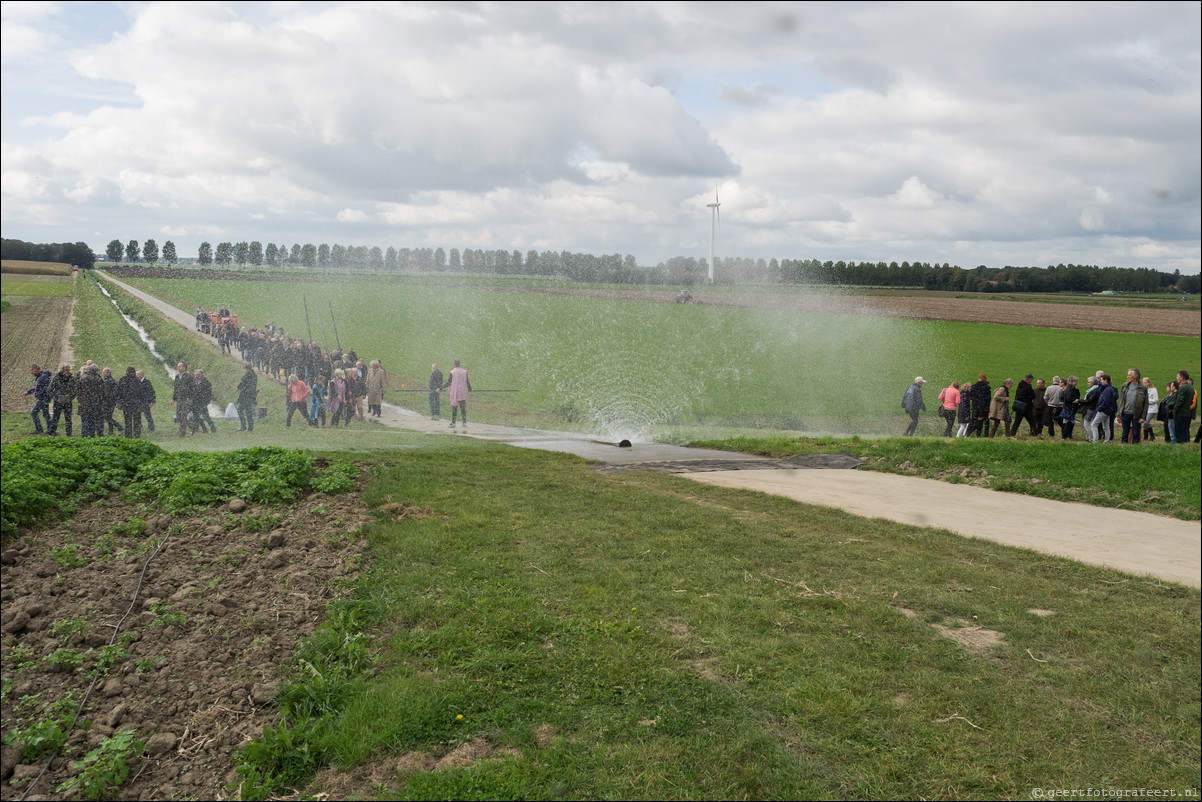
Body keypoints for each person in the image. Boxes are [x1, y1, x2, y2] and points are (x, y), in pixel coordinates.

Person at [1117, 369, 1149, 444]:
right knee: (1125, 432)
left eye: (1129, 375)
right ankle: (1123, 446)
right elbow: (1121, 400)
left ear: (1135, 376)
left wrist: (1143, 417)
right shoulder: (1125, 386)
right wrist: (1119, 414)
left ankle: (1135, 448)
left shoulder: (1143, 388)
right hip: (1125, 413)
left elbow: (1146, 403)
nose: (1127, 376)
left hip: (1137, 414)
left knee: (1136, 433)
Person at [77, 364, 107, 438]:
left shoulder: (83, 379)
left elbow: (78, 392)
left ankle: (84, 436)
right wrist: (101, 401)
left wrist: (81, 401)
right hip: (96, 404)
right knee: (93, 422)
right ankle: (92, 436)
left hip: (85, 404)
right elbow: (103, 392)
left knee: (85, 421)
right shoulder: (98, 379)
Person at [47, 364, 77, 436]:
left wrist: (70, 397)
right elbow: (49, 390)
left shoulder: (71, 378)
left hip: (68, 402)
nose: (68, 371)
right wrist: (56, 398)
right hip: (58, 402)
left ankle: (69, 433)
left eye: (69, 370)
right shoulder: (56, 378)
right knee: (56, 418)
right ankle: (52, 432)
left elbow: (75, 389)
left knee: (68, 418)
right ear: (62, 370)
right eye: (67, 370)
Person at [1089, 374, 1118, 444]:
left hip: (1103, 410)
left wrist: (1099, 408)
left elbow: (1105, 401)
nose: (1100, 381)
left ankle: (1095, 440)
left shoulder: (1107, 390)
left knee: (1093, 424)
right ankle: (1106, 441)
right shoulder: (1110, 389)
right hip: (1109, 411)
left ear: (1105, 381)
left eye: (1101, 380)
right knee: (1106, 426)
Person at [115, 366, 143, 438]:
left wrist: (119, 401)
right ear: (134, 372)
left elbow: (118, 391)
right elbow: (141, 393)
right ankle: (137, 435)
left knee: (128, 421)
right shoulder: (137, 381)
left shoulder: (122, 380)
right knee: (137, 420)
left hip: (126, 403)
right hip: (136, 403)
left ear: (127, 372)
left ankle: (128, 435)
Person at [445, 359, 472, 430]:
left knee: (454, 408)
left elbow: (448, 382)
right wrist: (470, 388)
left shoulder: (452, 372)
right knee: (463, 408)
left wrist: (441, 388)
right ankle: (464, 422)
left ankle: (453, 422)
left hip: (455, 393)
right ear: (459, 364)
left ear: (454, 364)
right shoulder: (464, 372)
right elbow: (467, 381)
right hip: (462, 392)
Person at [172, 362, 198, 437]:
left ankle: (182, 433)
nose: (178, 368)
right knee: (178, 416)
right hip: (179, 399)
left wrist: (187, 394)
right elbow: (176, 388)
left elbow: (193, 388)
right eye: (177, 366)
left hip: (186, 399)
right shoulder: (177, 376)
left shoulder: (189, 377)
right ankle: (192, 426)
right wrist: (173, 399)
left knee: (183, 415)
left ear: (184, 368)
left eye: (179, 366)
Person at [26, 364, 52, 434]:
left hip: (43, 398)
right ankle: (50, 430)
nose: (31, 373)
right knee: (46, 414)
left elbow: (46, 388)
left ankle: (39, 429)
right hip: (43, 398)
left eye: (31, 371)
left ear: (36, 370)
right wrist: (29, 392)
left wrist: (39, 393)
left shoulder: (43, 377)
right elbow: (37, 387)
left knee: (33, 412)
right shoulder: (40, 377)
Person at [1170, 370, 1195, 444]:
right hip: (1187, 413)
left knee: (1179, 433)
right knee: (1185, 431)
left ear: (1181, 377)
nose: (1176, 377)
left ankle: (1181, 448)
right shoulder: (1191, 387)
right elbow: (1191, 401)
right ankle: (1186, 446)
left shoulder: (1182, 387)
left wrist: (1175, 410)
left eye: (1177, 376)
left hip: (1180, 413)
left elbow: (1180, 400)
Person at [193, 369, 218, 434]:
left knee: (206, 416)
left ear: (201, 375)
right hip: (196, 402)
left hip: (202, 402)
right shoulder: (194, 381)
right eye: (195, 375)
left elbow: (209, 394)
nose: (196, 376)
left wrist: (206, 402)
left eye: (197, 375)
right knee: (196, 416)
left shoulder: (206, 383)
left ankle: (213, 429)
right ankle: (198, 429)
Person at [101, 367, 123, 435]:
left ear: (107, 373)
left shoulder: (108, 381)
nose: (102, 374)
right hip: (112, 401)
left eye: (103, 373)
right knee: (109, 416)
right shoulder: (112, 380)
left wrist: (104, 399)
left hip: (108, 401)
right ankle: (111, 430)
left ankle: (119, 427)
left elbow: (106, 393)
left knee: (106, 416)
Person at [237, 362, 258, 432]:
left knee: (240, 410)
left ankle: (244, 426)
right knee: (248, 412)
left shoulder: (247, 375)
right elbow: (252, 386)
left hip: (245, 396)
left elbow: (242, 384)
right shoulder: (254, 375)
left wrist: (242, 388)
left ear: (246, 368)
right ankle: (250, 427)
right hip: (251, 396)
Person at [1080, 376, 1100, 442]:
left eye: (1089, 382)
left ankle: (1091, 438)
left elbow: (1089, 400)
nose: (1088, 383)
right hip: (1087, 408)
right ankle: (1088, 436)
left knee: (1086, 424)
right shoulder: (1091, 390)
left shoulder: (1096, 390)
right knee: (1083, 423)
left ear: (1093, 383)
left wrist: (1079, 401)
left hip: (1091, 408)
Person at [1142, 377, 1159, 441]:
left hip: (1152, 409)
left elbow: (1156, 399)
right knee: (1144, 422)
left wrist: (1147, 401)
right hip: (1145, 409)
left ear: (1149, 383)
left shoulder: (1153, 390)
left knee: (1146, 422)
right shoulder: (1143, 390)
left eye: (1145, 382)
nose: (1144, 384)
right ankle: (1145, 437)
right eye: (1143, 382)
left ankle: (1152, 436)